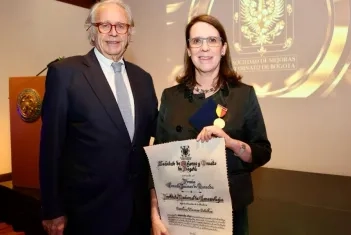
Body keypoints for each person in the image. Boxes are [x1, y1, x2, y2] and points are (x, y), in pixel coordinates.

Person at [39, 0, 158, 234]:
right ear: (92, 31)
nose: (113, 33)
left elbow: (156, 133)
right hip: (88, 213)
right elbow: (50, 147)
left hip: (138, 211)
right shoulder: (65, 74)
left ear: (130, 32)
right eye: (105, 25)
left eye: (121, 26)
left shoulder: (143, 79)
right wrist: (52, 209)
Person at [150, 14, 272, 235]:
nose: (204, 48)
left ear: (223, 48)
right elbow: (158, 160)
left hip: (229, 212)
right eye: (196, 41)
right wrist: (154, 213)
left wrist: (231, 143)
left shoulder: (243, 95)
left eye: (212, 40)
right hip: (180, 209)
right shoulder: (170, 97)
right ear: (188, 49)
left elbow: (262, 151)